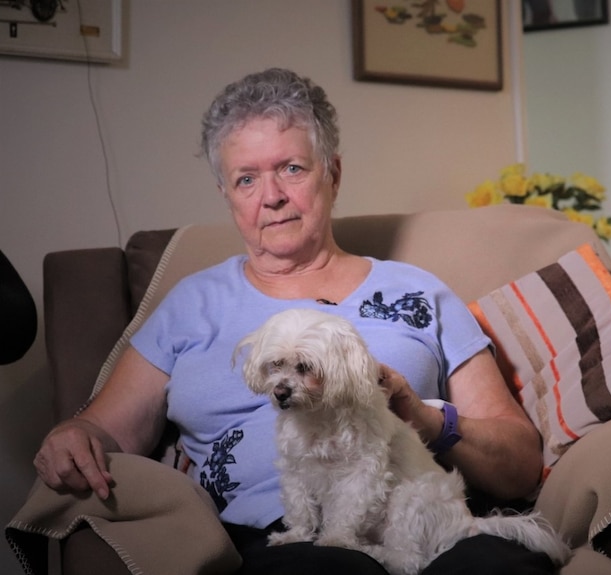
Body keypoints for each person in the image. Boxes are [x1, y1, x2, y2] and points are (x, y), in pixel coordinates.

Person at [33, 68, 555, 574]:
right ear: (228, 196)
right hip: (271, 539)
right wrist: (75, 434)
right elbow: (104, 429)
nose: (272, 196)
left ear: (334, 173)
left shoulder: (417, 291)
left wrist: (423, 417)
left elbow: (519, 464)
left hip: (419, 523)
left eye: (291, 168)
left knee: (497, 566)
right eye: (246, 179)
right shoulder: (191, 303)